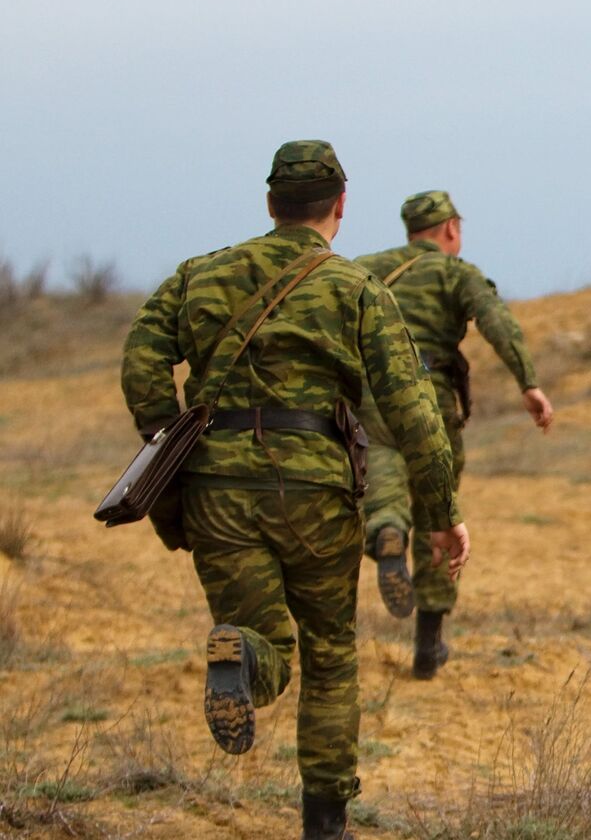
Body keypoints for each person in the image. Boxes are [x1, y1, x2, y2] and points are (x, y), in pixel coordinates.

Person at [120, 141, 465, 840]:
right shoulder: (358, 290)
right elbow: (414, 414)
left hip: (217, 488)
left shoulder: (198, 275)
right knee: (332, 654)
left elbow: (142, 363)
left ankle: (244, 656)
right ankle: (325, 821)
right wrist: (442, 514)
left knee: (262, 635)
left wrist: (172, 441)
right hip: (317, 490)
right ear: (341, 206)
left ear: (271, 204)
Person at [354, 190, 553, 678]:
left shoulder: (365, 269)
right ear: (450, 230)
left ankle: (386, 532)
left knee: (380, 470)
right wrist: (528, 382)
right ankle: (428, 645)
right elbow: (496, 321)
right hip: (430, 396)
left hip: (371, 395)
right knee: (438, 513)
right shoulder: (455, 272)